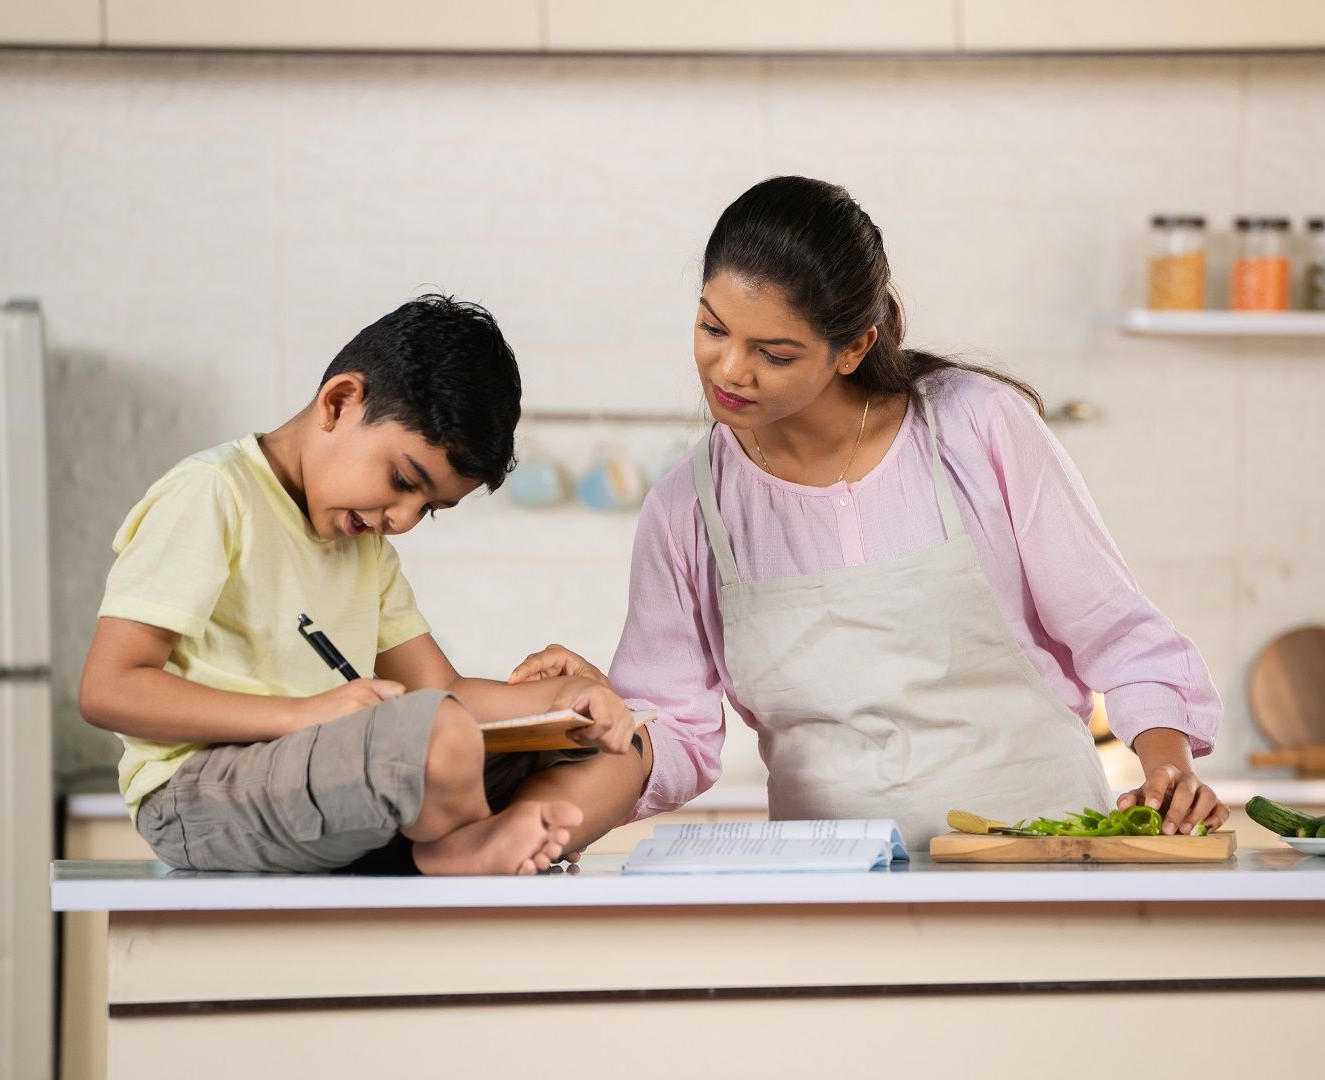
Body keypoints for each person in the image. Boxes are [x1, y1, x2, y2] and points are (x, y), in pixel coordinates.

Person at [517, 177, 1227, 848]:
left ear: (853, 346)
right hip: (831, 891)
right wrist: (603, 712)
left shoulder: (975, 426)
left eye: (773, 352)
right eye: (711, 328)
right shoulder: (687, 506)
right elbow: (675, 731)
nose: (729, 369)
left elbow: (1114, 628)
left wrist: (1165, 766)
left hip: (1034, 865)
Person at [79, 294, 652, 875]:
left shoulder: (365, 549)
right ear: (340, 402)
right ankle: (460, 845)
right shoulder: (213, 495)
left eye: (429, 508)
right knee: (435, 734)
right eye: (403, 479)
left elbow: (443, 688)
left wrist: (563, 704)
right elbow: (109, 688)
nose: (402, 520)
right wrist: (306, 715)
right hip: (200, 790)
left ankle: (495, 835)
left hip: (333, 779)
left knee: (622, 745)